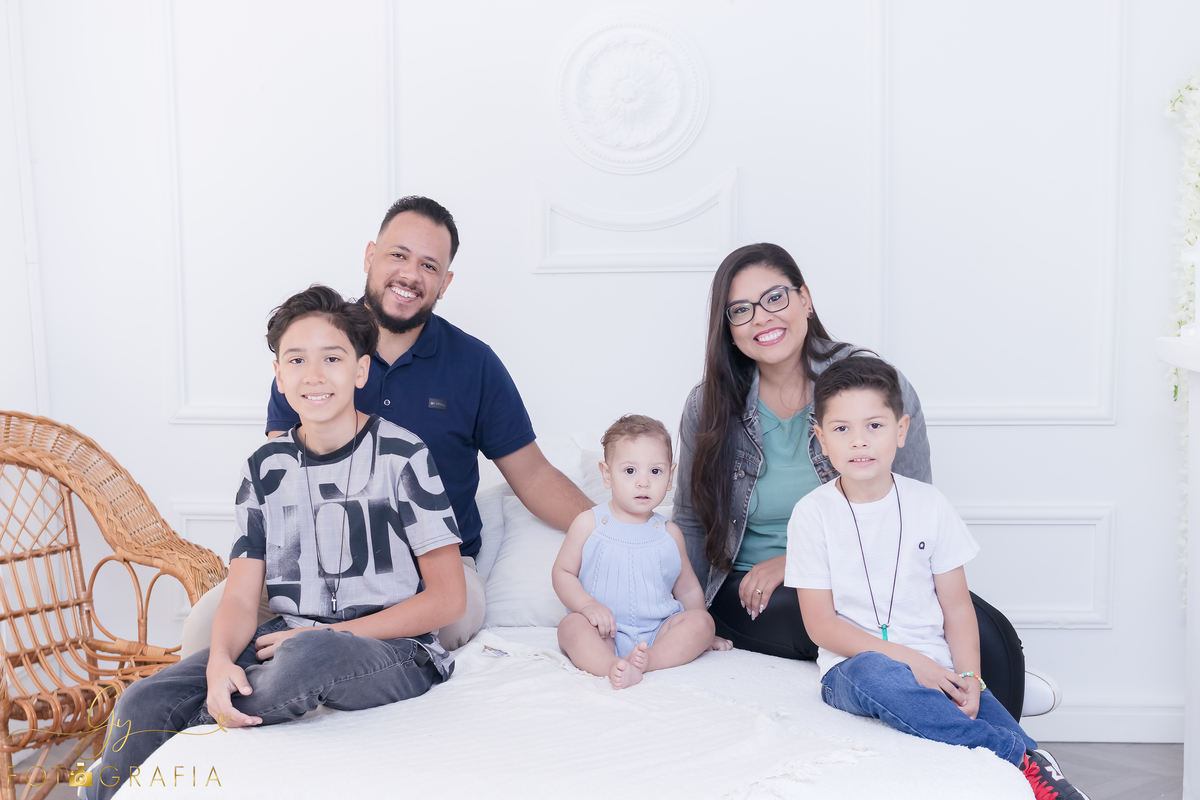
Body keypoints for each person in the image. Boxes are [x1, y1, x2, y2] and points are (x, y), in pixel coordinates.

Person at [89, 287, 466, 799]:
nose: (314, 375)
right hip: (284, 638)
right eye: (297, 359)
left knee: (307, 658)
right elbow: (243, 596)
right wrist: (220, 658)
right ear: (279, 376)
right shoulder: (265, 469)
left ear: (359, 371)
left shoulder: (403, 455)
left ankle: (191, 733)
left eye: (332, 358)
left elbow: (448, 598)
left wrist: (326, 638)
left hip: (394, 649)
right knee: (142, 701)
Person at [181, 196, 591, 655]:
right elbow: (283, 484)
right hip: (313, 571)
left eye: (429, 265)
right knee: (205, 628)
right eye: (398, 255)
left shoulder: (474, 365)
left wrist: (614, 527)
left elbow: (533, 476)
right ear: (370, 255)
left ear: (445, 282)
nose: (411, 275)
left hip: (431, 572)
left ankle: (338, 670)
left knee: (447, 625)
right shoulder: (313, 353)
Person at [786, 356, 1089, 800]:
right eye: (842, 429)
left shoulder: (930, 505)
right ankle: (1012, 755)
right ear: (821, 439)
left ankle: (1041, 774)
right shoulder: (812, 515)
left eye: (874, 426)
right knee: (879, 675)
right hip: (853, 667)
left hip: (940, 667)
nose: (859, 442)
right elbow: (821, 625)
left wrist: (969, 676)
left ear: (901, 430)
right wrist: (913, 663)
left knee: (979, 705)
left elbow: (957, 606)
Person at [673, 243, 931, 663]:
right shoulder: (708, 406)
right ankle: (930, 671)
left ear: (805, 299)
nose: (761, 317)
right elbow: (689, 522)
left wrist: (795, 562)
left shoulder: (875, 386)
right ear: (730, 330)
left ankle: (978, 700)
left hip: (864, 578)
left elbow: (912, 509)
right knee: (859, 628)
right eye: (740, 310)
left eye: (775, 297)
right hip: (755, 595)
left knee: (990, 635)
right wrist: (689, 618)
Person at [552, 415, 731, 689]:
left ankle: (648, 660)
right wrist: (587, 606)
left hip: (659, 631)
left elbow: (687, 591)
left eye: (655, 472)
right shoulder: (589, 524)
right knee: (570, 627)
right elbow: (563, 573)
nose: (643, 482)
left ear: (670, 476)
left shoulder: (669, 534)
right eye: (630, 471)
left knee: (703, 622)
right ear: (606, 474)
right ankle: (610, 665)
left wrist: (703, 634)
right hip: (602, 629)